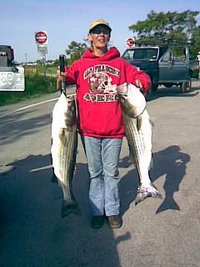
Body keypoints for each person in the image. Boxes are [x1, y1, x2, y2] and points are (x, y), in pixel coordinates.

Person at [57, 18, 151, 229]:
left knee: (111, 173)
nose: (101, 35)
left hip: (114, 132)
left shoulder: (120, 64)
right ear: (89, 37)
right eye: (97, 32)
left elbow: (142, 76)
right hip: (89, 131)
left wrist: (141, 82)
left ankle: (112, 211)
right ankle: (97, 211)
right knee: (95, 173)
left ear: (108, 36)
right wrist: (61, 76)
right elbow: (67, 77)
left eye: (105, 32)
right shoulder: (81, 64)